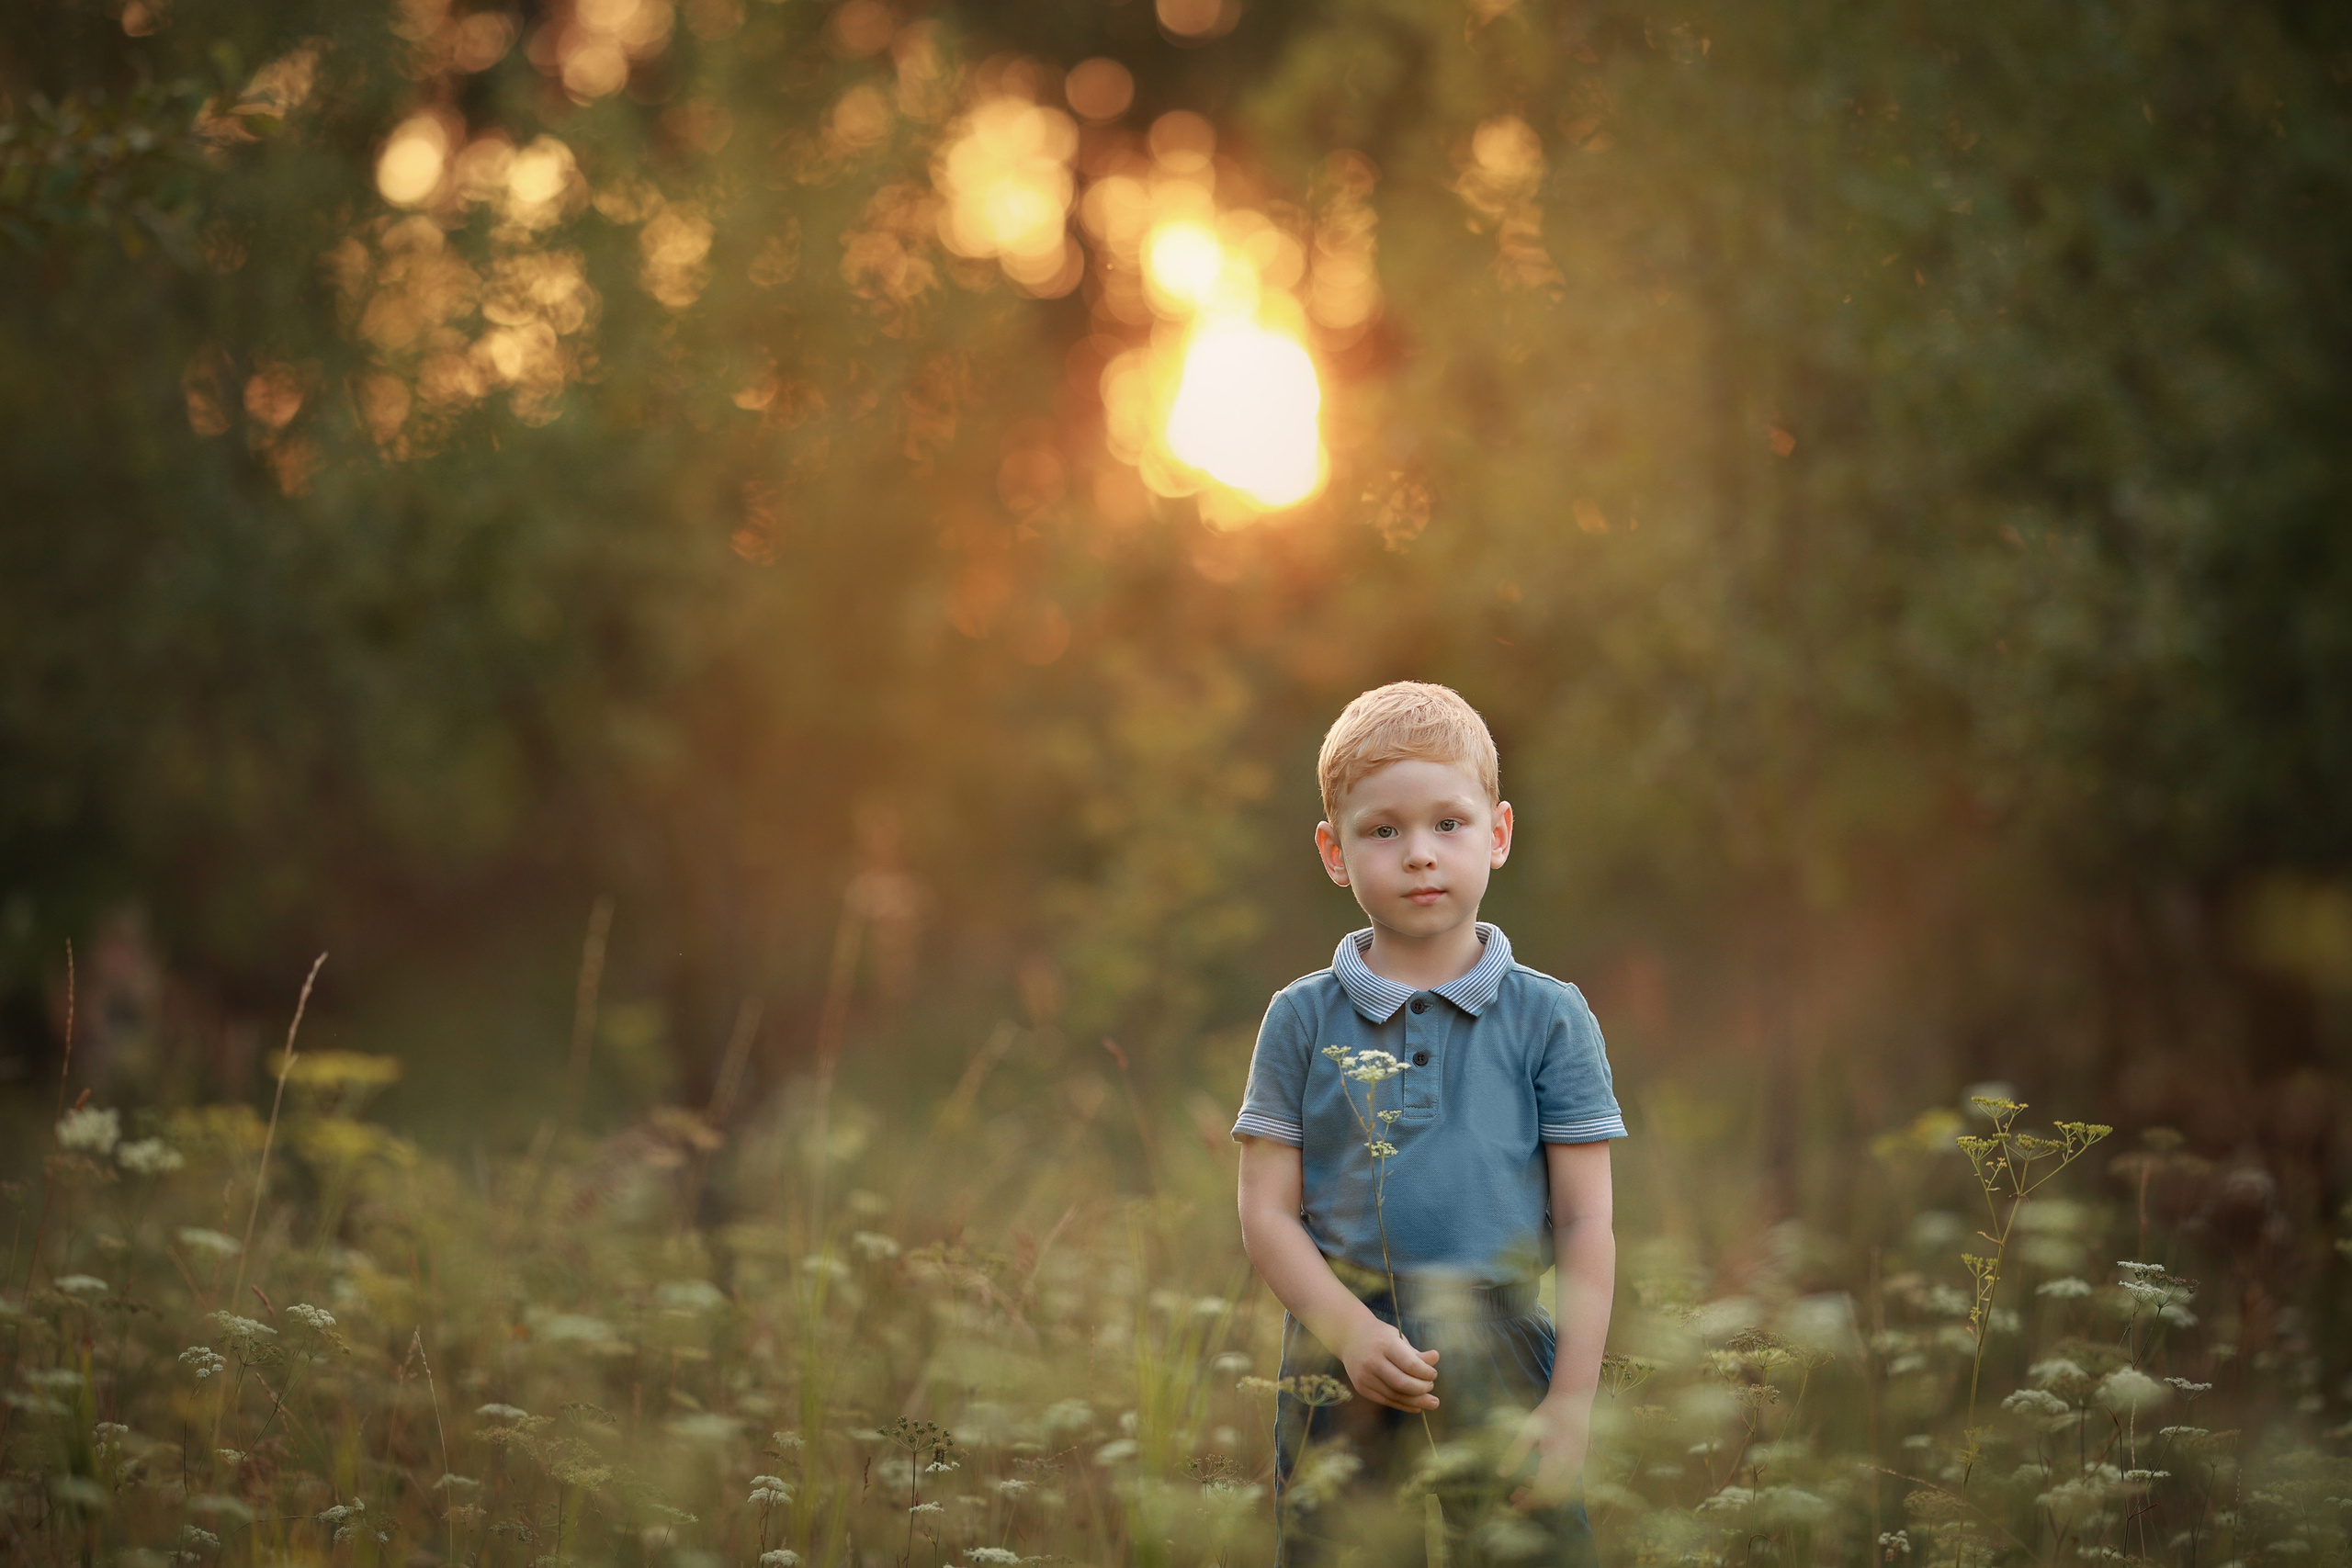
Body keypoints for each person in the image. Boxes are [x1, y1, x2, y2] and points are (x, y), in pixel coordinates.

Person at [1232, 682, 1624, 1565]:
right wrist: (1349, 1329)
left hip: (1505, 1339)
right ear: (1335, 851)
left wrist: (1570, 1407)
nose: (1419, 854)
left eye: (1448, 823)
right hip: (1343, 1347)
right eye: (1384, 830)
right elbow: (1265, 1212)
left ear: (1499, 833)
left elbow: (1588, 1218)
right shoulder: (1300, 1018)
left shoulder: (1550, 1016)